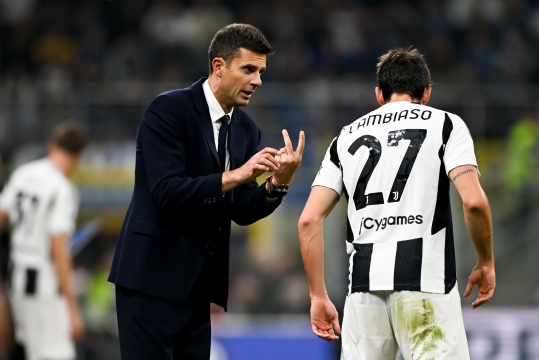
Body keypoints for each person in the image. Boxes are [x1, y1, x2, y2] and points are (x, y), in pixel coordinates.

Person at [108, 23, 304, 359]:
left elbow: (241, 209)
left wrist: (278, 183)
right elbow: (166, 192)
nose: (257, 80)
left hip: (198, 286)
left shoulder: (245, 129)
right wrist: (236, 175)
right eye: (248, 69)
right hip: (150, 279)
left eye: (260, 71)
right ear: (218, 66)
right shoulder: (169, 110)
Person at [298, 47, 495, 359]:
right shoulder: (446, 125)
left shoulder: (345, 138)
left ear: (379, 94)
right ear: (426, 93)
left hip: (362, 288)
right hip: (426, 284)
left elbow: (308, 220)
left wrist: (317, 294)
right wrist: (485, 262)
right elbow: (473, 202)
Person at [0, 121, 88, 360]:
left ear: (52, 145)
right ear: (79, 156)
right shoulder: (62, 188)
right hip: (44, 285)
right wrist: (72, 308)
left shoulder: (23, 173)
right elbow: (59, 251)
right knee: (57, 355)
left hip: (17, 281)